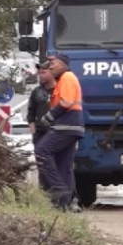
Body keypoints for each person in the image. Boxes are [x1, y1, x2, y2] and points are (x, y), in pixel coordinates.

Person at [27, 62, 82, 212]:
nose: (41, 74)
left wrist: (50, 117)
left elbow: (66, 103)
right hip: (49, 132)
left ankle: (64, 195)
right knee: (54, 165)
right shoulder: (38, 92)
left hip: (61, 129)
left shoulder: (64, 81)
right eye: (40, 72)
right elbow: (30, 115)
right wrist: (34, 134)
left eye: (45, 71)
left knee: (59, 164)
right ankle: (58, 203)